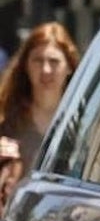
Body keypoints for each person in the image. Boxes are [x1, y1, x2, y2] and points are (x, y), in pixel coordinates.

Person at [0, 21, 80, 204]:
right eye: (38, 60)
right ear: (26, 66)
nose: (45, 70)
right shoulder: (7, 121)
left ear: (69, 66)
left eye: (54, 61)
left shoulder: (85, 122)